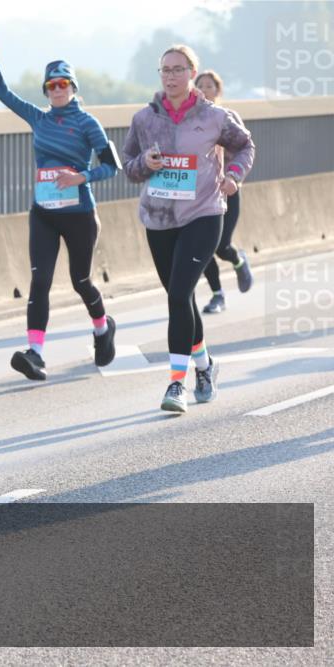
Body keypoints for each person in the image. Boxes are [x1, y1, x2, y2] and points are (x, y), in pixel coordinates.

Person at [0, 19, 121, 382]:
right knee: (39, 281)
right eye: (51, 85)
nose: (57, 89)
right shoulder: (39, 119)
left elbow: (111, 166)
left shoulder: (88, 123)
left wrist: (81, 177)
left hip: (79, 214)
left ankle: (103, 327)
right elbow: (2, 92)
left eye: (63, 84)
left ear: (73, 88)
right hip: (43, 213)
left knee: (81, 281)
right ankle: (35, 353)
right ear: (46, 91)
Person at [123, 45, 254, 413]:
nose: (171, 75)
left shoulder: (214, 116)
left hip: (204, 213)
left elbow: (245, 147)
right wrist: (145, 163)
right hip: (159, 218)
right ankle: (205, 366)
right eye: (165, 69)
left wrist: (234, 175)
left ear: (192, 73)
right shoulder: (144, 119)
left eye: (178, 69)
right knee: (181, 299)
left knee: (178, 295)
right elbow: (129, 167)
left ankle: (175, 384)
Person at [195, 70, 254, 314]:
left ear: (218, 91)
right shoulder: (189, 120)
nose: (204, 90)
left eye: (210, 86)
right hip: (199, 196)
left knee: (221, 246)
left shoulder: (228, 118)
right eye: (200, 86)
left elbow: (245, 148)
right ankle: (217, 295)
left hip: (227, 192)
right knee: (202, 247)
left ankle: (238, 260)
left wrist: (233, 176)